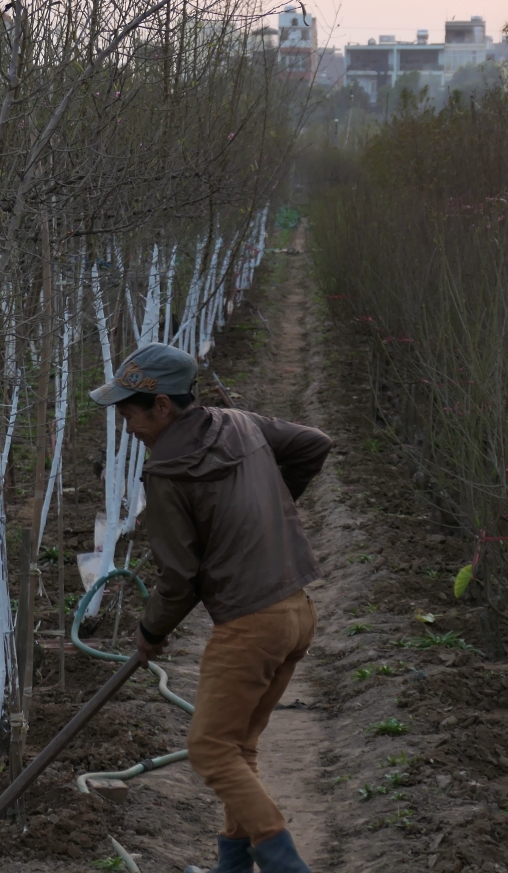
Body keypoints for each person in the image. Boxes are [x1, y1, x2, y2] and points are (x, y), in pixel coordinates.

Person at [89, 342, 331, 873]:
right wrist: (269, 508)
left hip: (250, 625)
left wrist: (150, 632)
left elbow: (180, 579)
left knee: (209, 750)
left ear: (163, 407)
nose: (126, 423)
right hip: (296, 611)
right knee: (239, 746)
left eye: (129, 410)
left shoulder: (168, 473)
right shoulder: (239, 425)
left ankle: (286, 864)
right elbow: (313, 443)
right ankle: (232, 866)